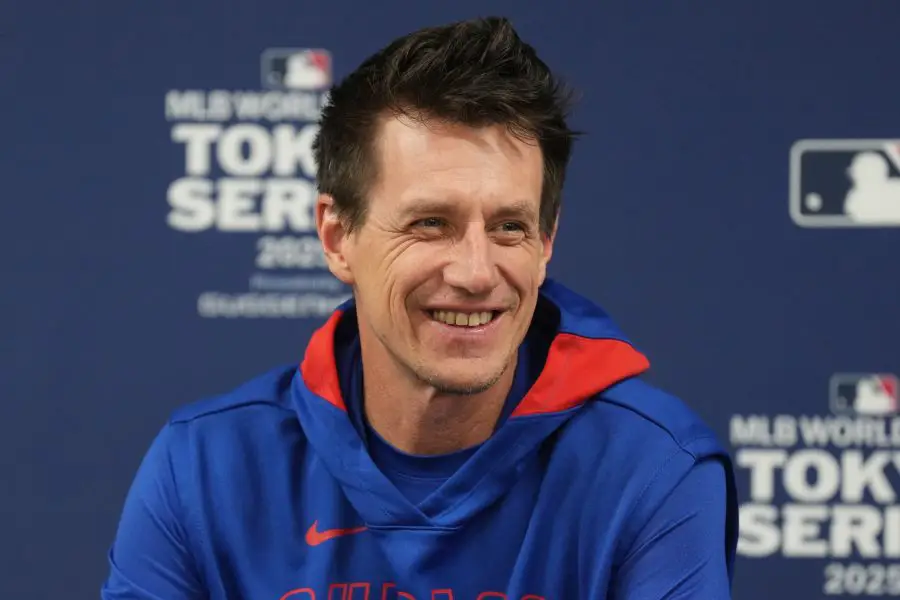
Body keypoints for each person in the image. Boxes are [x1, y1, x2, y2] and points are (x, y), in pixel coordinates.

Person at [101, 16, 738, 600]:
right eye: (430, 223)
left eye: (510, 227)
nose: (475, 271)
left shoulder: (655, 471)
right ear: (336, 237)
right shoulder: (203, 467)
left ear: (547, 243)